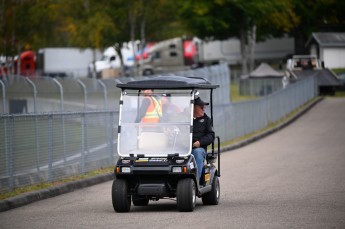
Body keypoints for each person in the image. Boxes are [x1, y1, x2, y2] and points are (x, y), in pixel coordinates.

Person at [192, 96, 215, 182]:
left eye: (204, 108)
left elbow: (211, 135)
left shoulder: (206, 120)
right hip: (182, 148)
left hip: (197, 148)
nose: (203, 109)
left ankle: (195, 181)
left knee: (198, 153)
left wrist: (200, 142)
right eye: (201, 107)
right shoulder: (183, 118)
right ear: (193, 108)